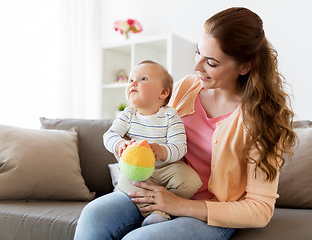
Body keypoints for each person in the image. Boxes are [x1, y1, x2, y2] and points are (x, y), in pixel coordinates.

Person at [74, 7, 296, 240]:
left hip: (208, 213)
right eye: (198, 52)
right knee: (94, 215)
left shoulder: (264, 120)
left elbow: (260, 210)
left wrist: (180, 205)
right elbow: (148, 123)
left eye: (211, 62)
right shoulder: (185, 88)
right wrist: (131, 148)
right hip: (158, 188)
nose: (197, 66)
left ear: (244, 66)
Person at [103, 60, 202, 226]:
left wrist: (162, 151)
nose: (133, 82)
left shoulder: (170, 115)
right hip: (138, 173)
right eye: (131, 80)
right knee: (124, 181)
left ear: (163, 92)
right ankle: (157, 212)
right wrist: (120, 144)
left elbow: (180, 146)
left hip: (166, 169)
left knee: (191, 180)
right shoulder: (128, 114)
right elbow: (109, 135)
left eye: (143, 79)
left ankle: (165, 208)